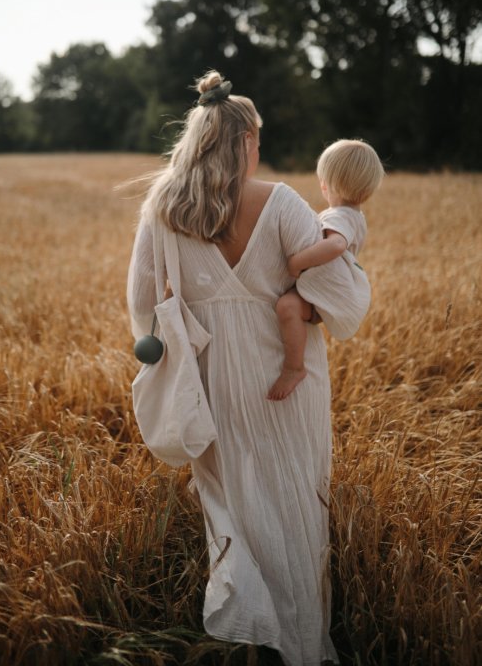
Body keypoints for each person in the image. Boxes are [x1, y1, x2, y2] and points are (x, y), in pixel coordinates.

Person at [127, 70, 367, 666]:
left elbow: (140, 301)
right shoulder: (282, 201)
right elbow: (345, 300)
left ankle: (253, 630)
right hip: (286, 377)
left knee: (231, 503)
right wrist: (306, 306)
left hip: (207, 378)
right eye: (256, 140)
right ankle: (301, 646)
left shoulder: (163, 205)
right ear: (243, 142)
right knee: (292, 502)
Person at [268, 139, 384, 401]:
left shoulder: (338, 215)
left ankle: (293, 368)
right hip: (330, 290)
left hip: (324, 294)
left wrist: (298, 262)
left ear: (328, 185)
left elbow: (336, 244)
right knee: (289, 307)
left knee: (287, 307)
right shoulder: (355, 215)